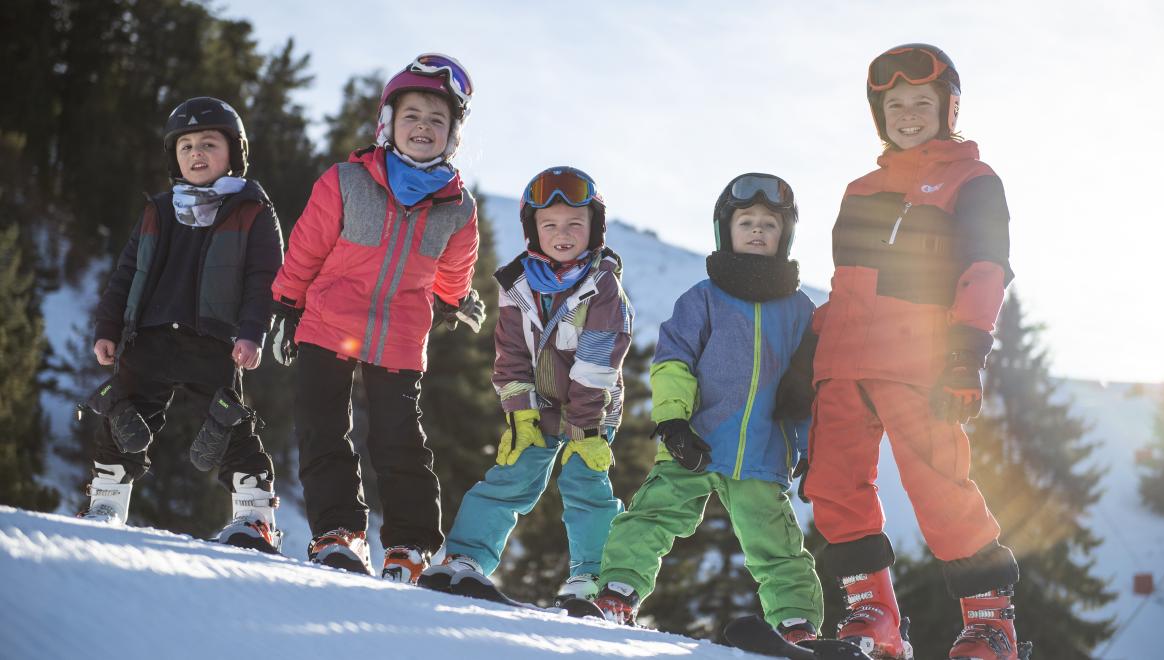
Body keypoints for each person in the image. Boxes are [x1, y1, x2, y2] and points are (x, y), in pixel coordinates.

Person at [802, 44, 1022, 660]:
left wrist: (965, 351)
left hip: (919, 361)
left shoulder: (972, 181)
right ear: (879, 113)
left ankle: (989, 624)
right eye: (893, 104)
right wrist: (809, 356)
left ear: (949, 109)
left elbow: (985, 267)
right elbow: (849, 283)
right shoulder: (860, 188)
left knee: (939, 488)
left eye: (921, 102)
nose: (906, 113)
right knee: (833, 488)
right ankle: (873, 619)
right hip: (843, 364)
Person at [268, 53, 485, 581]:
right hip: (325, 323)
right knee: (323, 430)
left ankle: (409, 546)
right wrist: (284, 306)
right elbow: (305, 249)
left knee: (398, 441)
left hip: (401, 337)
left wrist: (456, 302)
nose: (423, 128)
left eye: (438, 120)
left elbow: (454, 269)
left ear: (453, 136)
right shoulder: (345, 180)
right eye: (412, 115)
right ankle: (337, 534)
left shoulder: (458, 208)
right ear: (388, 123)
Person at [593, 173, 824, 646]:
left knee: (778, 546)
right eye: (747, 222)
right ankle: (618, 591)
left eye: (769, 224)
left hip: (762, 455)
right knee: (652, 516)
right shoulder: (704, 298)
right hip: (693, 443)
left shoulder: (801, 311)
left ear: (786, 236)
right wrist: (674, 422)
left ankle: (797, 626)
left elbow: (807, 389)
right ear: (727, 230)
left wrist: (809, 445)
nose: (758, 231)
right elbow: (673, 360)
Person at [81, 97, 285, 554]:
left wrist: (253, 332)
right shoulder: (158, 208)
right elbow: (126, 272)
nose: (196, 153)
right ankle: (106, 503)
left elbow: (264, 281)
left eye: (208, 143)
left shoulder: (252, 211)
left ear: (233, 152)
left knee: (227, 422)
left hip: (214, 342)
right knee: (123, 416)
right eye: (186, 145)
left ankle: (254, 516)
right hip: (147, 337)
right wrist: (107, 327)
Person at [420, 166, 632, 604]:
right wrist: (521, 414)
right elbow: (511, 355)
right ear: (533, 230)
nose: (563, 233)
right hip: (537, 406)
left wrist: (584, 426)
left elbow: (597, 362)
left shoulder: (603, 287)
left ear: (595, 227)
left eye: (576, 223)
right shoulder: (516, 285)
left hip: (590, 411)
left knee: (584, 484)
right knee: (510, 477)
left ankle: (592, 579)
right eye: (550, 224)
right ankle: (465, 557)